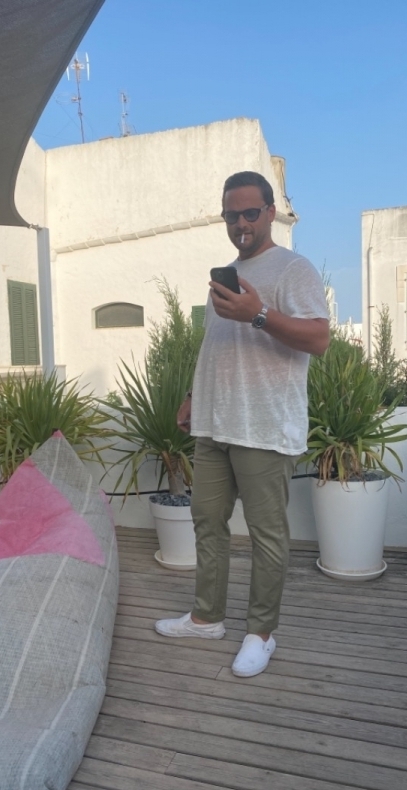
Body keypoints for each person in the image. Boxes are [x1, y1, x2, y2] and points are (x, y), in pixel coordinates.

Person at [155, 171, 330, 677]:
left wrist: (258, 314)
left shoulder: (293, 269)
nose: (241, 224)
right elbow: (217, 345)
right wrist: (194, 396)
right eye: (231, 215)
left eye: (250, 213)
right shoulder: (226, 274)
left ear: (271, 212)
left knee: (265, 534)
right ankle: (206, 618)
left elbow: (319, 339)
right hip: (215, 423)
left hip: (264, 427)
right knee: (207, 521)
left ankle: (261, 633)